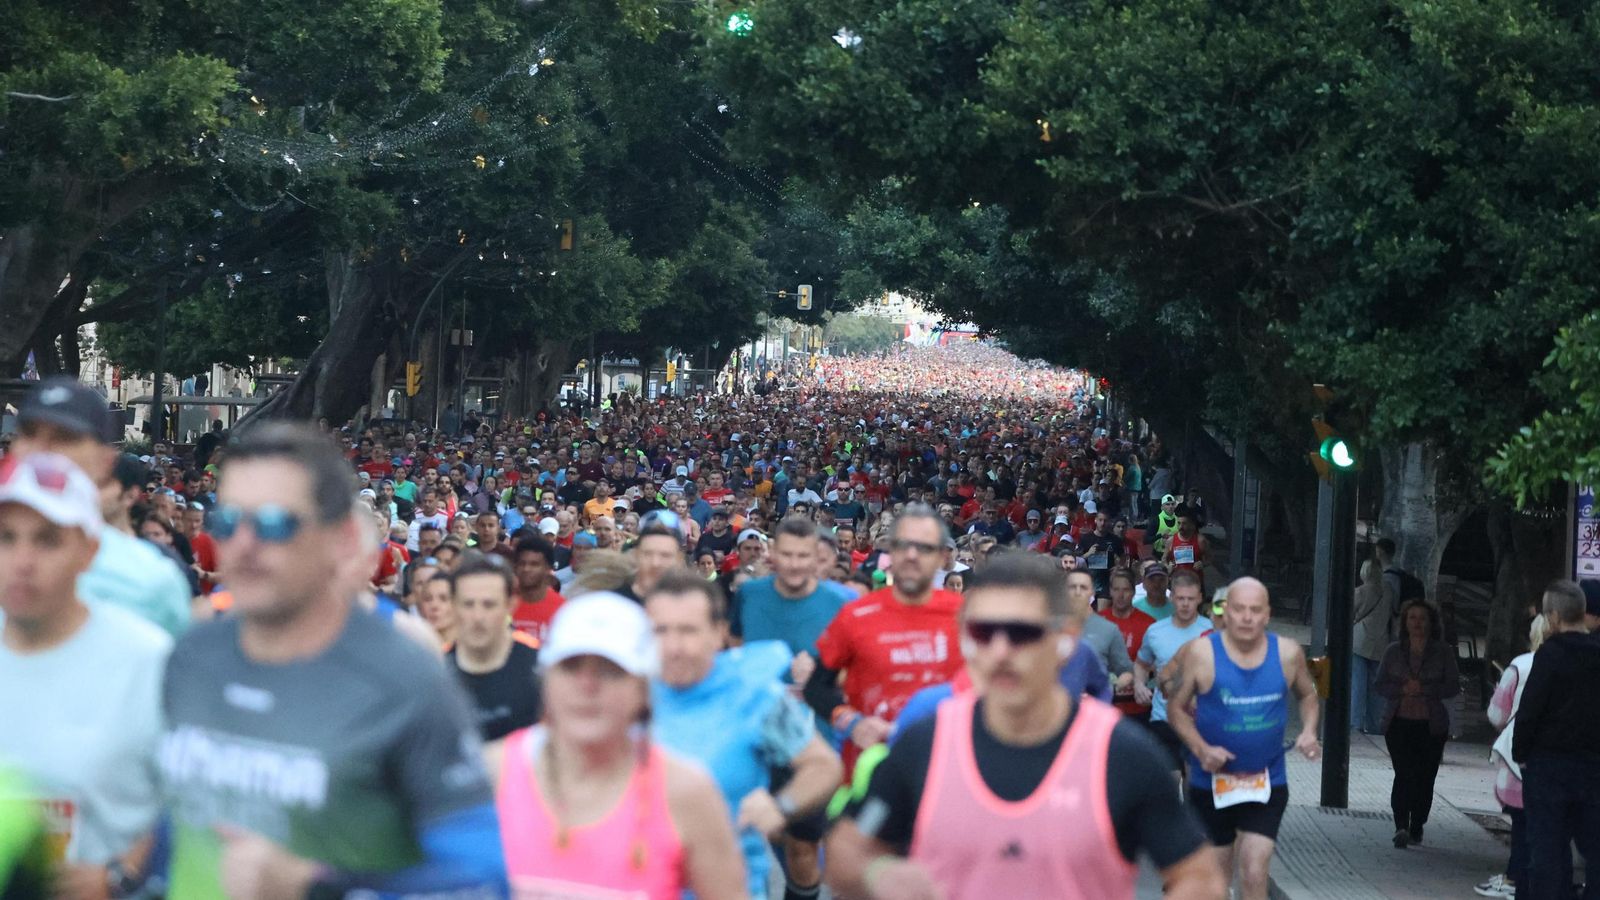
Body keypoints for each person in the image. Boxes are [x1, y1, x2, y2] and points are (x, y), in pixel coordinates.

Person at [159, 424, 506, 897]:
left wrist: (317, 883)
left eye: (274, 523)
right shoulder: (192, 653)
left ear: (341, 540)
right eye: (228, 521)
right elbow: (171, 823)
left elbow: (481, 875)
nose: (245, 543)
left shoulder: (405, 677)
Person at [824, 553, 1225, 900]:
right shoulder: (925, 745)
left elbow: (1199, 876)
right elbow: (847, 850)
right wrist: (881, 875)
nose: (1000, 651)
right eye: (984, 632)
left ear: (1065, 640)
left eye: (1022, 633)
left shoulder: (1123, 754)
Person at [494, 592, 746, 899]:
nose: (587, 686)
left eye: (610, 670)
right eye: (571, 667)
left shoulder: (686, 792)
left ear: (642, 688)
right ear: (546, 678)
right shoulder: (491, 775)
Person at [0, 453, 172, 898]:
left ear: (89, 550)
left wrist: (119, 875)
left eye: (47, 540)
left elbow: (186, 800)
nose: (23, 560)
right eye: (6, 537)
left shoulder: (147, 658)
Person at [646, 569, 843, 900]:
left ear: (719, 633)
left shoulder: (756, 695)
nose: (674, 646)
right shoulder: (624, 693)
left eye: (688, 631)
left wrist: (780, 806)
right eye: (660, 630)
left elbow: (823, 766)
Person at [1165, 577, 1322, 900]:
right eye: (1239, 609)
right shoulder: (1202, 653)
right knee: (1216, 883)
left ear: (1267, 614)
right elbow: (1176, 708)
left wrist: (1308, 731)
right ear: (1225, 612)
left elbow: (1308, 694)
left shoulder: (1287, 654)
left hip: (1266, 781)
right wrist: (1201, 748)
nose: (1247, 617)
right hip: (1211, 783)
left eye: (1255, 610)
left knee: (1253, 869)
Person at [11, 376, 191, 637]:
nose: (42, 449)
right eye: (29, 433)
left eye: (65, 437)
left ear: (105, 460)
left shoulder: (152, 582)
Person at [803, 506, 966, 774]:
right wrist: (851, 723)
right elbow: (815, 687)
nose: (912, 555)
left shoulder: (966, 618)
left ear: (941, 557)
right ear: (889, 552)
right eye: (903, 546)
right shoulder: (855, 614)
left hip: (944, 770)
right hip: (869, 769)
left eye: (924, 548)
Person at [1512, 580, 1600, 900]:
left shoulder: (1551, 654)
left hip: (1549, 765)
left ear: (1551, 617)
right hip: (1593, 766)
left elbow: (1531, 708)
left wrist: (1521, 751)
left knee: (1548, 848)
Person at [1475, 614, 1551, 899]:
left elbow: (1496, 714)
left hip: (1520, 760)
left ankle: (1516, 877)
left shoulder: (1520, 666)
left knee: (1521, 824)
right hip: (1559, 763)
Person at [1375, 599, 1460, 849]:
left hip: (1431, 724)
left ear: (1431, 622)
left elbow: (1452, 685)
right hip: (1399, 721)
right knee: (1403, 773)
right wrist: (1402, 688)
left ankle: (1417, 824)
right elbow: (1379, 684)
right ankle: (1400, 824)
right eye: (1412, 618)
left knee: (1425, 776)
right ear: (1404, 622)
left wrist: (1425, 688)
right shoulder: (1393, 651)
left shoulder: (1442, 652)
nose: (1417, 623)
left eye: (1422, 618)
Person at [447, 556, 543, 741]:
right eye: (468, 604)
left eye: (489, 605)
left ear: (510, 606)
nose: (478, 616)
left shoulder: (541, 668)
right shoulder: (435, 673)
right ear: (453, 606)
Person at [1135, 570, 1213, 768]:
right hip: (1163, 717)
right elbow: (1142, 664)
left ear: (1200, 599)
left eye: (1190, 598)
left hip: (1201, 721)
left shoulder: (1212, 631)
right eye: (1180, 598)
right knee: (1169, 780)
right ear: (1172, 597)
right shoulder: (1155, 631)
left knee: (1192, 783)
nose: (1185, 604)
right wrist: (1139, 684)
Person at [1066, 568, 1134, 693]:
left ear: (1092, 592)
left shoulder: (1108, 629)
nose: (1077, 592)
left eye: (1083, 587)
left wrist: (1110, 689)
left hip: (1096, 707)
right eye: (1072, 587)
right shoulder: (1049, 628)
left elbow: (1126, 671)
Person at [1101, 567, 1156, 719]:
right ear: (1110, 591)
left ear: (1133, 591)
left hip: (1139, 707)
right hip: (1105, 707)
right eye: (1116, 589)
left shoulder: (1149, 624)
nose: (1121, 595)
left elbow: (1158, 664)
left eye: (1125, 589)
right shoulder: (1097, 622)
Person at [1352, 557, 1394, 734]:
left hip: (1359, 642)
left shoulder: (1360, 592)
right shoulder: (1389, 591)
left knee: (1357, 684)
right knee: (1376, 687)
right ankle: (1375, 724)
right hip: (1380, 643)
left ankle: (1355, 723)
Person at [510, 535, 566, 642]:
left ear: (548, 568)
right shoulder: (502, 605)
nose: (526, 569)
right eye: (522, 563)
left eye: (534, 564)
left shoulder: (563, 610)